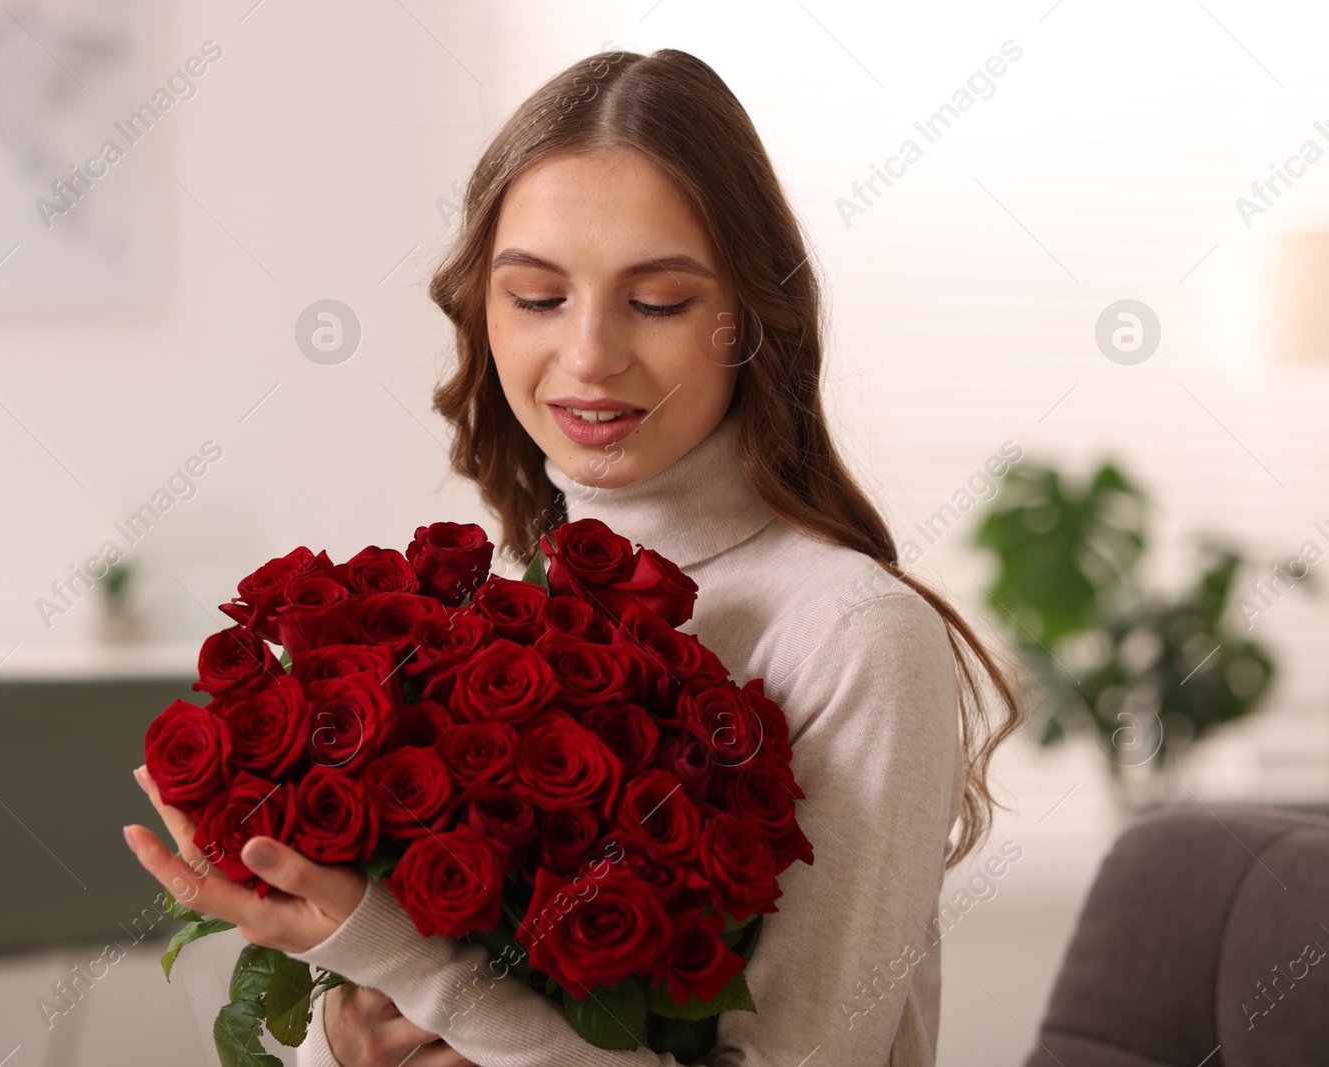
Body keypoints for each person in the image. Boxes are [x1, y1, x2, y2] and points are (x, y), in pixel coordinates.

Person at [124, 47, 1026, 1067]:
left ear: (748, 320)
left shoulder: (855, 635)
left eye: (658, 302)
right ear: (483, 313)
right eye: (540, 297)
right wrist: (347, 1033)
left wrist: (404, 962)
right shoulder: (493, 619)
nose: (591, 353)